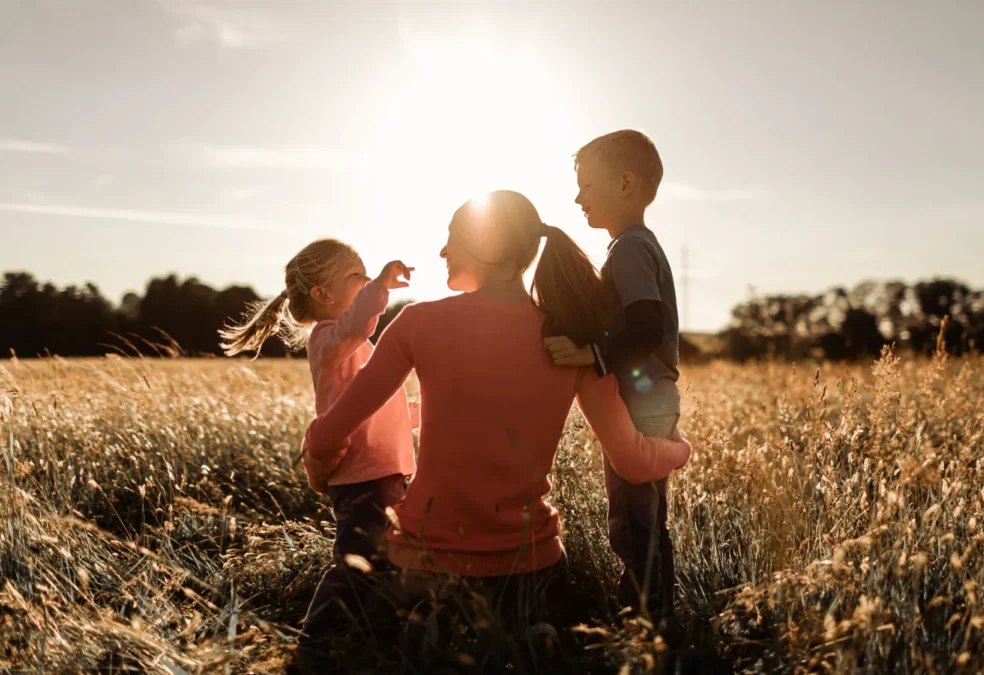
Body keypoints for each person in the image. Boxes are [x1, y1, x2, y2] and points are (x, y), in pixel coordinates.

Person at [302, 191, 691, 629]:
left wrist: (319, 471)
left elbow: (326, 434)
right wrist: (680, 449)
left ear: (485, 245)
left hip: (420, 575)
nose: (443, 251)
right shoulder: (572, 343)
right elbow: (634, 462)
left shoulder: (416, 323)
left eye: (452, 239)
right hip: (531, 576)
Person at [218, 238, 418, 668]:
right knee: (354, 566)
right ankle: (315, 644)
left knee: (385, 566)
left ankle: (377, 639)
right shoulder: (329, 340)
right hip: (362, 476)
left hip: (385, 473)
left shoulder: (352, 346)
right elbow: (358, 324)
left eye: (367, 276)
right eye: (357, 276)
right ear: (323, 295)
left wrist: (429, 411)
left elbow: (384, 406)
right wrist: (381, 285)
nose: (366, 282)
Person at [544, 130, 680, 622]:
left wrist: (589, 353)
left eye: (586, 186)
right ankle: (657, 616)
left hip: (643, 403)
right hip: (655, 399)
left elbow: (649, 326)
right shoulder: (638, 245)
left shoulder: (627, 250)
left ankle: (642, 622)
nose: (578, 198)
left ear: (624, 184)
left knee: (632, 522)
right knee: (648, 519)